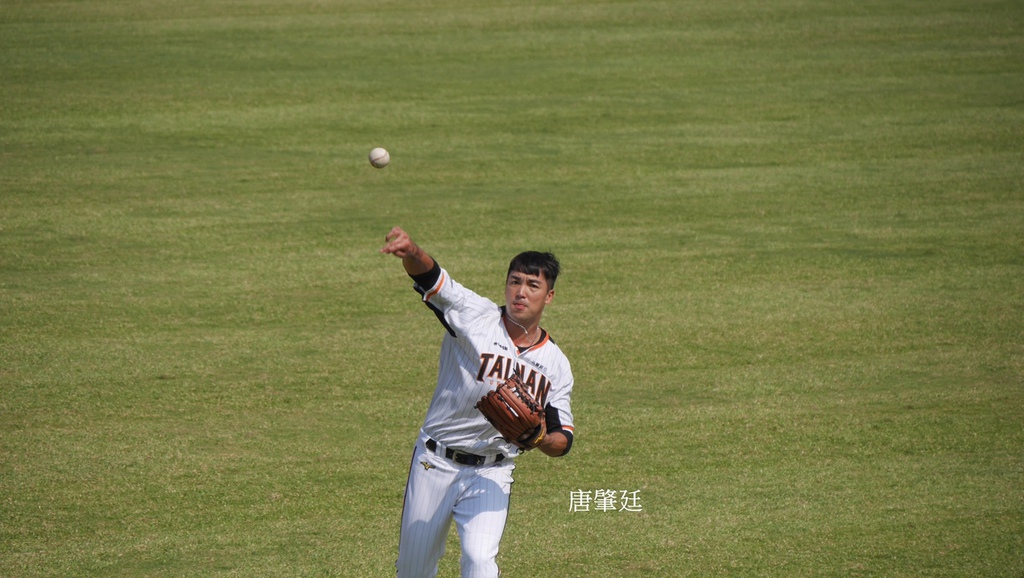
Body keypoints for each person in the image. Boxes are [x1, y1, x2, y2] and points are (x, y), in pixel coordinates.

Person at [380, 226, 576, 578]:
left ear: (549, 297)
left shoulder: (556, 365)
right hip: (436, 463)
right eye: (515, 281)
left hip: (493, 470)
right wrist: (411, 251)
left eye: (533, 285)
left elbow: (564, 440)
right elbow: (433, 278)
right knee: (414, 569)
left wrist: (540, 440)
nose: (521, 292)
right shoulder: (476, 315)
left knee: (480, 564)